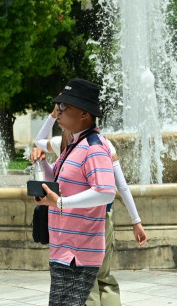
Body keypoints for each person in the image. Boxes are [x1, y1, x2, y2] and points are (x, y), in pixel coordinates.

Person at [32, 106, 148, 306]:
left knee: (88, 282)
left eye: (64, 110)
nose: (60, 114)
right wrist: (135, 221)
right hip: (100, 220)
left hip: (85, 223)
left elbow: (109, 189)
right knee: (103, 278)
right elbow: (122, 186)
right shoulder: (82, 145)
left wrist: (52, 115)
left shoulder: (85, 145)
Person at [34, 78, 116, 306]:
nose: (58, 113)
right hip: (63, 247)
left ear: (84, 114)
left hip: (78, 253)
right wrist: (42, 165)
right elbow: (58, 183)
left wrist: (60, 203)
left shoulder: (94, 147)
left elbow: (106, 192)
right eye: (58, 107)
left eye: (64, 108)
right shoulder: (73, 145)